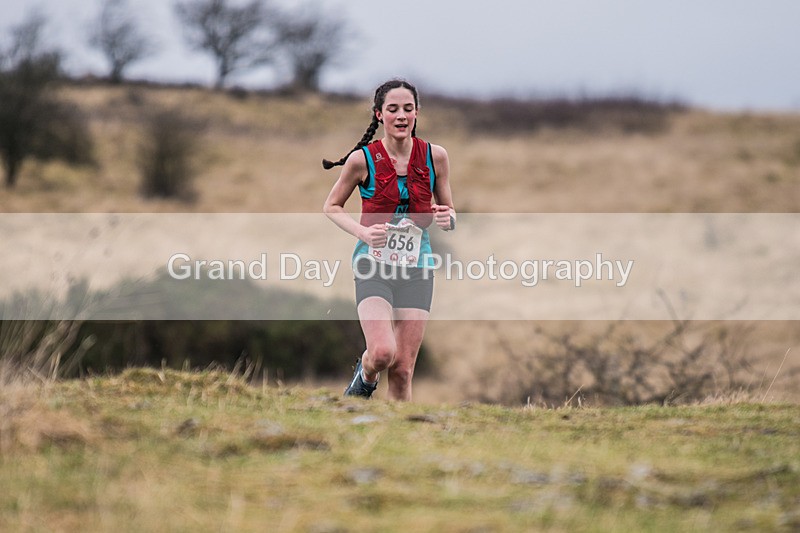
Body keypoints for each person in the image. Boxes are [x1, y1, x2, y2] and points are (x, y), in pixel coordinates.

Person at [322, 79, 455, 401]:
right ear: (379, 114)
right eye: (393, 109)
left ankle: (401, 442)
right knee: (382, 354)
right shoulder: (361, 160)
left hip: (417, 268)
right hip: (373, 265)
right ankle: (364, 377)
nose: (401, 116)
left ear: (416, 113)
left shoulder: (435, 157)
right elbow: (331, 206)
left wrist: (447, 218)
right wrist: (363, 233)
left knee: (403, 369)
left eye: (407, 109)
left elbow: (449, 212)